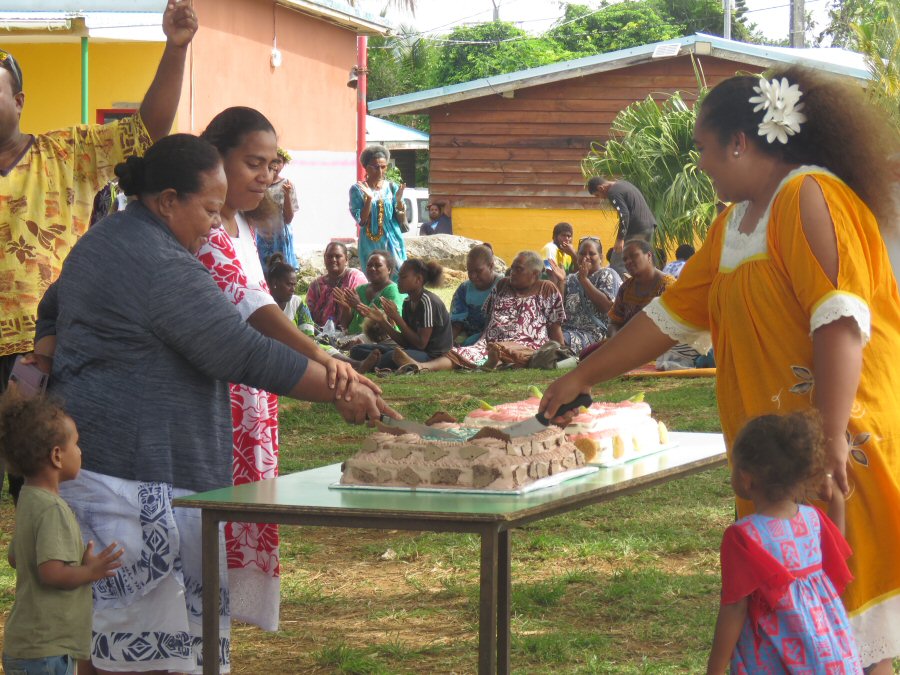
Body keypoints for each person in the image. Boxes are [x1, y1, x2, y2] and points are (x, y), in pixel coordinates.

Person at [542, 67, 900, 672]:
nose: (702, 163)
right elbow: (668, 318)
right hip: (781, 455)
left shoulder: (810, 196)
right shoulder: (733, 226)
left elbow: (840, 321)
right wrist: (583, 375)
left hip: (840, 444)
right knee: (799, 631)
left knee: (847, 625)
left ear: (740, 141)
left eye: (706, 148)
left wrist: (833, 438)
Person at [35, 134, 394, 673]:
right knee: (145, 654)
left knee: (105, 650)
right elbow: (242, 352)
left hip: (100, 468)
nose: (211, 224)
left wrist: (48, 354)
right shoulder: (160, 263)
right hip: (137, 477)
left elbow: (51, 305)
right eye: (207, 209)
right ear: (167, 200)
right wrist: (340, 389)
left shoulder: (103, 238)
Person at [0, 0, 197, 500]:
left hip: (44, 352)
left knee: (42, 495)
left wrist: (175, 49)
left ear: (19, 99)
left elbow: (146, 132)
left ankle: (44, 576)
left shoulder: (66, 153)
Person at [197, 106, 370, 632]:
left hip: (253, 393)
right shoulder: (203, 227)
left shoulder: (244, 226)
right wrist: (325, 359)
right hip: (216, 403)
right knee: (207, 546)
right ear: (215, 158)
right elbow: (253, 308)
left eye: (272, 165)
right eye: (253, 162)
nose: (266, 176)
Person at [707, 411, 862, 674]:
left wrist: (715, 669)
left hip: (777, 657)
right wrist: (836, 501)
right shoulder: (813, 519)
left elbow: (734, 607)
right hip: (828, 654)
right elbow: (836, 546)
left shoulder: (743, 537)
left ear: (746, 477)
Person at [0, 390, 124, 675]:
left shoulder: (29, 499)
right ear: (57, 456)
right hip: (47, 650)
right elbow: (51, 573)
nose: (80, 452)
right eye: (76, 445)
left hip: (27, 645)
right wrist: (89, 572)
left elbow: (16, 558)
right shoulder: (53, 509)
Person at [417, 251, 565, 371]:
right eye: (512, 268)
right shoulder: (502, 285)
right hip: (490, 343)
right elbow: (490, 318)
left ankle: (495, 363)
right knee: (463, 352)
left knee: (515, 353)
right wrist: (482, 339)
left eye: (519, 269)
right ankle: (420, 366)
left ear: (535, 274)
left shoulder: (547, 289)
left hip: (526, 344)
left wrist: (562, 353)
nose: (512, 272)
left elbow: (555, 326)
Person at [349, 259, 452, 373]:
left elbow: (421, 344)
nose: (398, 281)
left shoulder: (427, 301)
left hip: (431, 355)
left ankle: (371, 364)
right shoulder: (408, 302)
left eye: (403, 277)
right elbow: (405, 341)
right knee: (356, 350)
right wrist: (383, 321)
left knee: (390, 356)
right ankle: (374, 362)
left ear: (418, 279)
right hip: (411, 350)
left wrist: (396, 317)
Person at [547, 237, 622, 355]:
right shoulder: (571, 278)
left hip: (594, 333)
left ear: (601, 258)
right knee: (544, 335)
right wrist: (561, 282)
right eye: (582, 253)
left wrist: (584, 280)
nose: (586, 257)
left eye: (592, 254)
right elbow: (559, 309)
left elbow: (607, 307)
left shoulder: (608, 274)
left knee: (556, 342)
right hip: (566, 330)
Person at [349, 145, 406, 278]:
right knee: (374, 275)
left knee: (399, 272)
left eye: (383, 167)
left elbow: (400, 216)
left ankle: (398, 299)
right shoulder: (357, 189)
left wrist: (398, 201)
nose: (380, 171)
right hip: (370, 240)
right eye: (375, 167)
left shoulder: (392, 187)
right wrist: (369, 199)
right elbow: (361, 220)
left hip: (393, 238)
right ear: (366, 167)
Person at [607, 239, 674, 338]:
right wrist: (614, 341)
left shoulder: (668, 287)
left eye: (634, 256)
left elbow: (672, 330)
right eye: (625, 259)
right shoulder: (625, 288)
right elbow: (614, 323)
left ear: (649, 256)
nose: (628, 261)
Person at [334, 250, 406, 336]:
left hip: (380, 342)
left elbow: (388, 327)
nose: (372, 268)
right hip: (352, 339)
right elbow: (345, 325)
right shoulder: (360, 289)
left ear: (389, 270)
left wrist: (359, 306)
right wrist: (346, 308)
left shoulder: (393, 290)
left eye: (378, 265)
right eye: (369, 265)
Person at [253, 148, 299, 269]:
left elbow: (288, 219)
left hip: (280, 234)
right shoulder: (259, 183)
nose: (275, 165)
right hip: (262, 233)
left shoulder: (287, 185)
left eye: (279, 161)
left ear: (284, 164)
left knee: (280, 268)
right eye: (272, 161)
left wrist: (287, 194)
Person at [587, 175, 657, 253]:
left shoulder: (612, 193)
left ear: (601, 188)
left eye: (597, 195)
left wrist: (620, 239)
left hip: (637, 230)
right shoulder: (623, 184)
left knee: (619, 257)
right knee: (640, 258)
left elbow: (624, 214)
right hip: (649, 226)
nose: (600, 198)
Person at [449, 244, 502, 346]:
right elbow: (457, 323)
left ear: (491, 266)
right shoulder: (464, 289)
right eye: (470, 271)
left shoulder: (503, 286)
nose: (473, 276)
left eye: (478, 271)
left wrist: (477, 342)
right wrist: (448, 344)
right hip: (466, 336)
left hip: (493, 338)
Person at [306, 241, 367, 328]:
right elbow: (307, 315)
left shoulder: (354, 277)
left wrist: (346, 306)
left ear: (346, 260)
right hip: (319, 332)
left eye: (338, 256)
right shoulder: (316, 285)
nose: (333, 259)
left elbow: (360, 311)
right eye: (329, 256)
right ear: (324, 259)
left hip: (351, 331)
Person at [268, 261, 314, 335]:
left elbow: (308, 334)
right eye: (289, 284)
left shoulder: (297, 303)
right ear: (275, 283)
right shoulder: (263, 306)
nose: (293, 289)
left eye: (294, 285)